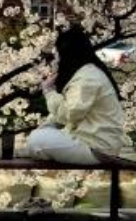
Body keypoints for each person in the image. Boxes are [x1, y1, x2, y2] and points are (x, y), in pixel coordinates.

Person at [26, 25, 126, 164]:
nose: (58, 60)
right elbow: (62, 117)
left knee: (36, 141)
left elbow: (70, 113)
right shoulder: (85, 73)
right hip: (92, 143)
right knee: (41, 133)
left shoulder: (88, 77)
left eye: (59, 55)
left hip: (97, 148)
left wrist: (49, 92)